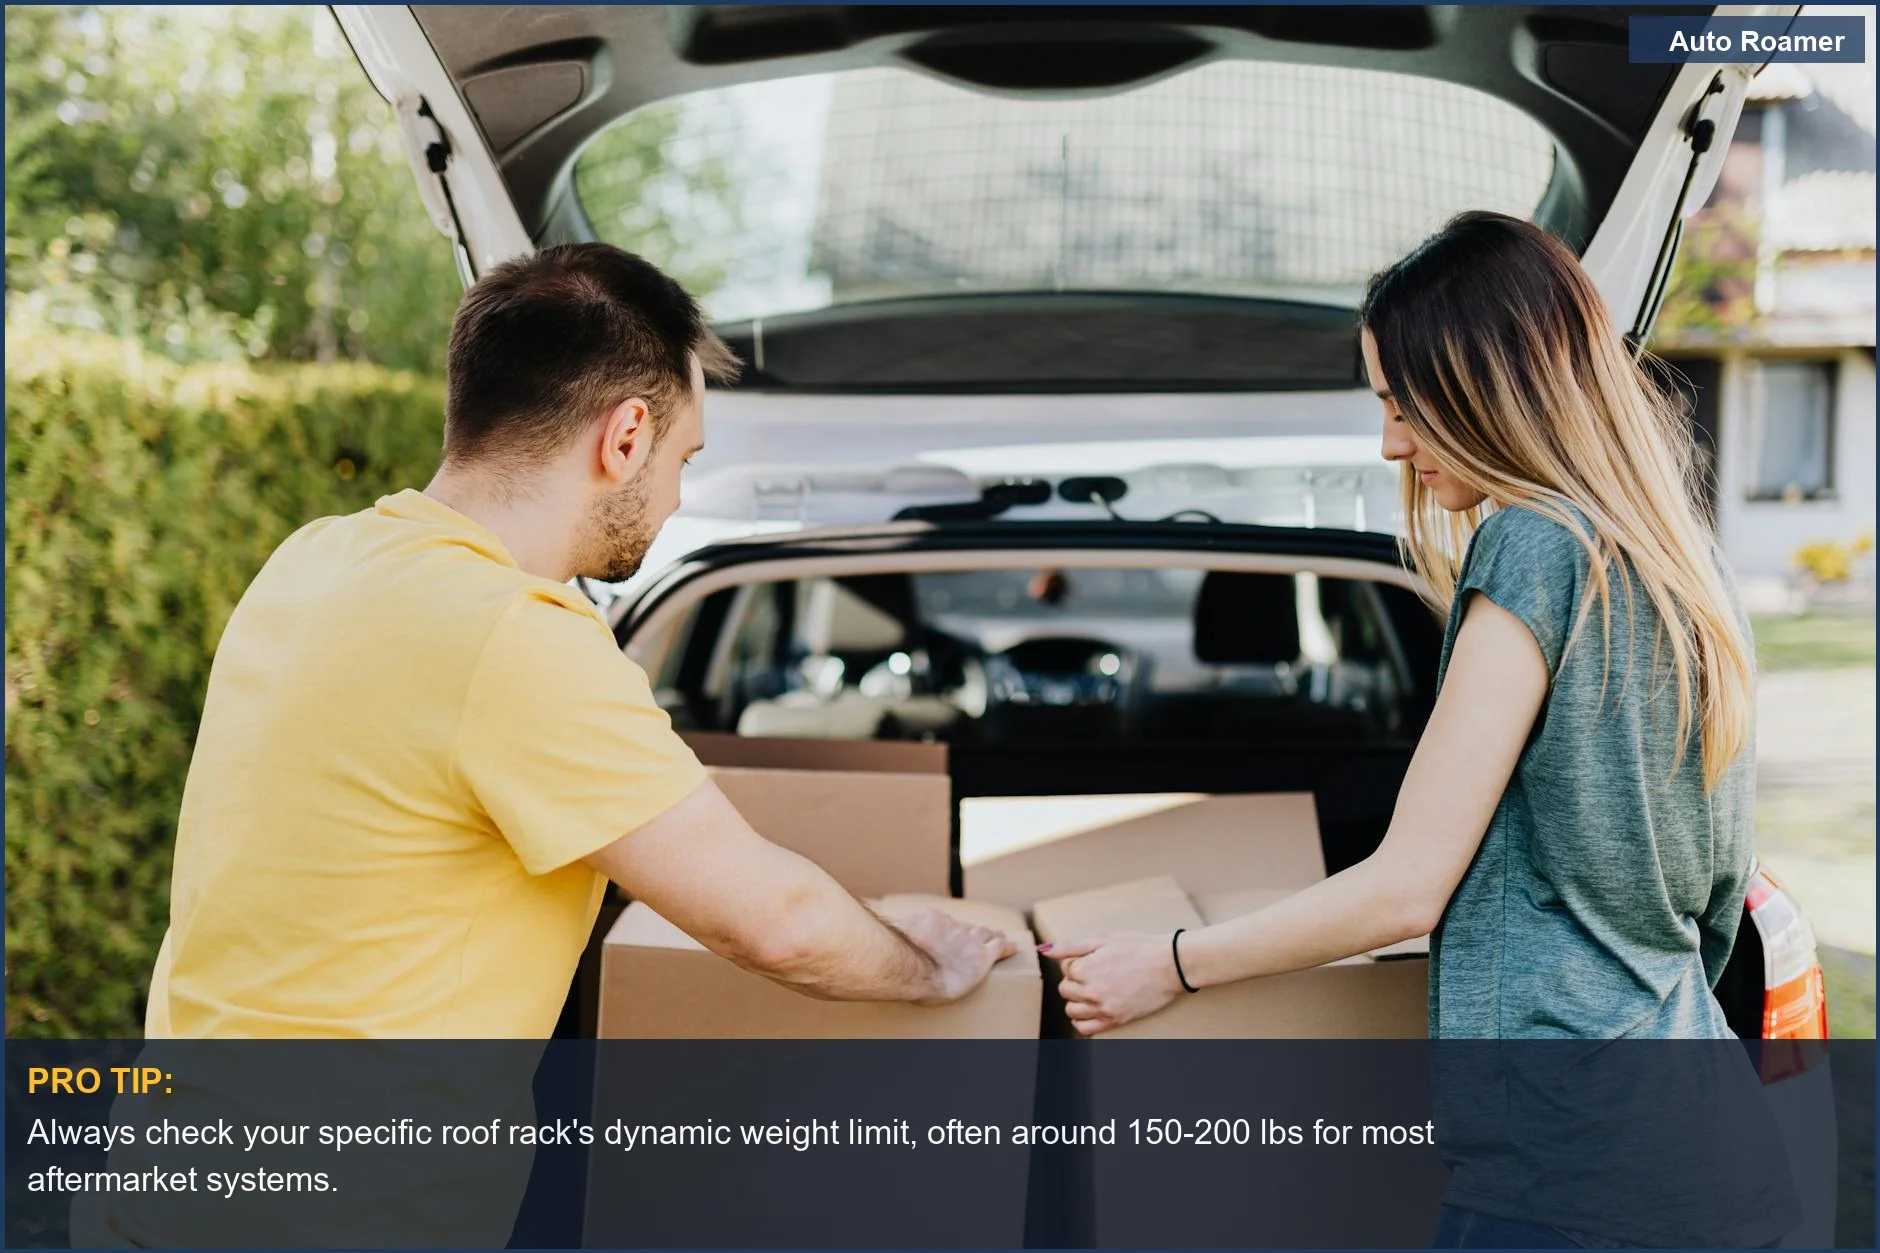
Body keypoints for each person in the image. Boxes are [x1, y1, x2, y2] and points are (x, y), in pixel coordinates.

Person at [1042, 212, 1801, 1247]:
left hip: (1569, 1169)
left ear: (1488, 385)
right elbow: (1705, 900)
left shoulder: (1531, 547)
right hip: (1708, 1138)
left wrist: (1167, 963)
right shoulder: (1684, 570)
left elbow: (1407, 880)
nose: (1389, 440)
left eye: (1402, 402)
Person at [143, 242, 1014, 1040]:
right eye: (684, 458)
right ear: (626, 435)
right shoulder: (515, 636)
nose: (674, 496)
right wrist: (936, 962)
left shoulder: (313, 558)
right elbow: (777, 925)